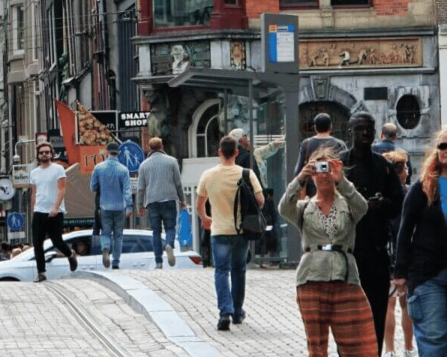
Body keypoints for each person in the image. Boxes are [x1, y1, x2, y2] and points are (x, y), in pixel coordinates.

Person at [279, 147, 376, 357]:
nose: (323, 175)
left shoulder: (348, 205)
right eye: (318, 169)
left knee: (359, 345)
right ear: (312, 175)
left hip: (345, 278)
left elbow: (363, 207)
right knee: (316, 346)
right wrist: (299, 179)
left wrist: (342, 180)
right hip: (311, 280)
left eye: (327, 168)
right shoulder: (304, 208)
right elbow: (284, 209)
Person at [341, 110, 404, 352]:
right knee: (346, 315)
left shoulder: (384, 167)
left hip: (376, 253)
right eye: (359, 129)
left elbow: (397, 204)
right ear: (350, 132)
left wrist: (381, 205)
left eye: (369, 128)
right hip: (347, 253)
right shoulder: (341, 164)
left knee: (376, 312)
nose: (365, 133)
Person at [196, 134, 264, 331]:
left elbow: (199, 203)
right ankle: (237, 311)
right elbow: (260, 201)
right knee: (238, 270)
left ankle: (224, 312)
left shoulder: (208, 175)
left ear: (219, 152)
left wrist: (205, 218)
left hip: (218, 231)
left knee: (221, 271)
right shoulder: (246, 174)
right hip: (241, 230)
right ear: (236, 152)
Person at [393, 126, 447, 357]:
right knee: (434, 343)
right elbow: (405, 231)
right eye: (442, 145)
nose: (445, 150)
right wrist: (400, 273)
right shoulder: (423, 188)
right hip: (428, 275)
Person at [382, 149, 415, 357]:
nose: (408, 171)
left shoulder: (382, 196)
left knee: (389, 304)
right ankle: (409, 348)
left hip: (387, 254)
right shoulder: (409, 194)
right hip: (406, 255)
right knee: (406, 304)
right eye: (405, 168)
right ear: (401, 171)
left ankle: (389, 350)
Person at [136, 136, 187, 270]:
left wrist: (140, 205)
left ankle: (158, 262)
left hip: (152, 202)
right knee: (170, 228)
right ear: (162, 146)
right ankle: (169, 244)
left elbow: (141, 188)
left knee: (156, 232)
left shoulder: (144, 165)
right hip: (169, 199)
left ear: (149, 148)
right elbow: (178, 183)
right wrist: (182, 200)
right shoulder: (172, 162)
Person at [29, 141, 76, 281]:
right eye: (42, 152)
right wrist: (34, 211)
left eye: (47, 152)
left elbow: (62, 189)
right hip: (39, 211)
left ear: (51, 154)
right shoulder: (34, 173)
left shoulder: (58, 169)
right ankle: (41, 273)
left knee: (56, 240)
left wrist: (55, 207)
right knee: (37, 243)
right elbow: (34, 193)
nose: (44, 154)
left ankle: (70, 254)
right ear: (38, 155)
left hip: (55, 211)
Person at [90, 140, 132, 270]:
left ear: (107, 152)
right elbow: (127, 190)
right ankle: (116, 262)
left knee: (106, 233)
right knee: (118, 235)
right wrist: (129, 206)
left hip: (104, 206)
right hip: (119, 207)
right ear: (118, 153)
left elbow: (92, 187)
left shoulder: (99, 168)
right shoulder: (123, 169)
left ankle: (106, 248)